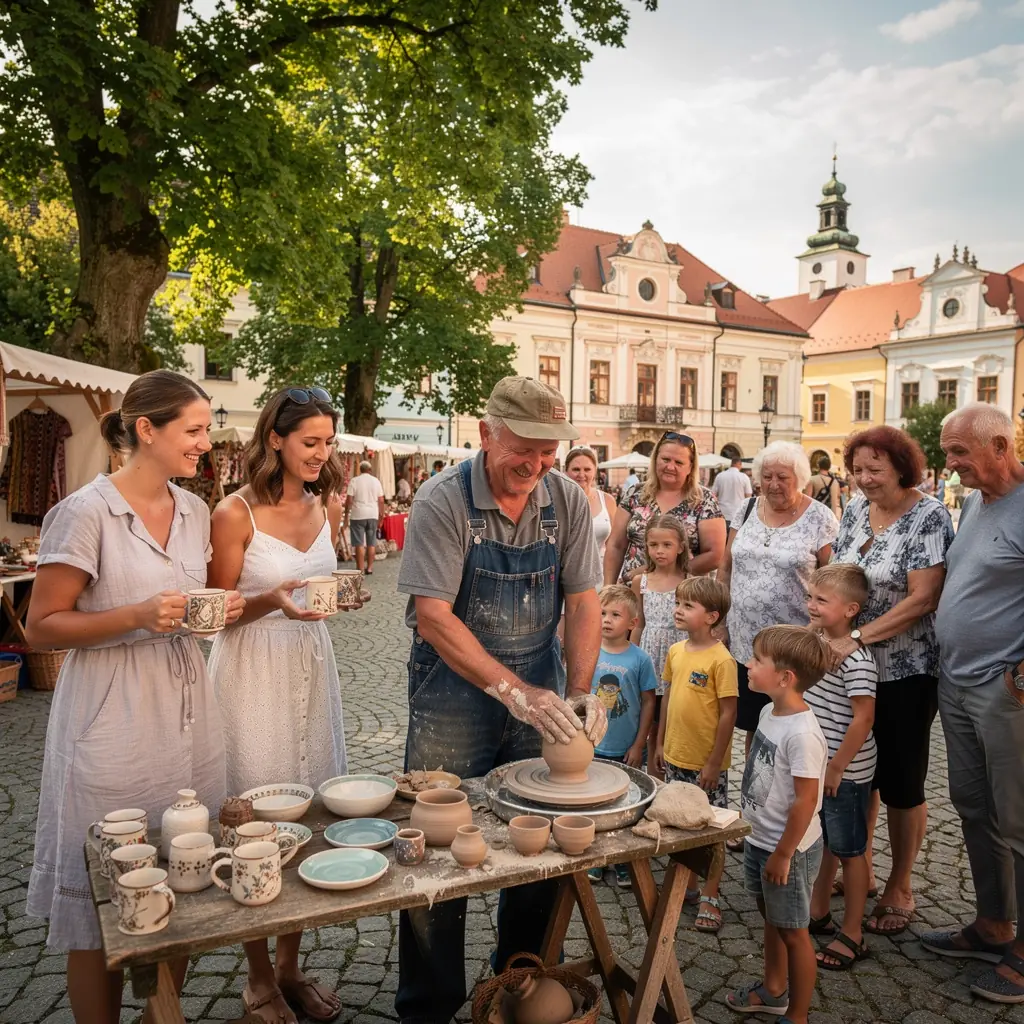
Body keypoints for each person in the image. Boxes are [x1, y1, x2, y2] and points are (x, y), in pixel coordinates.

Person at [24, 371, 245, 1024]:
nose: (206, 442)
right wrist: (138, 616)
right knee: (104, 901)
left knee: (185, 879)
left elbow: (183, 609)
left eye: (208, 429)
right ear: (146, 430)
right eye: (195, 430)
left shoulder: (197, 511)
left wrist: (219, 609)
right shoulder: (85, 511)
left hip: (186, 716)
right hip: (111, 717)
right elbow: (42, 625)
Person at [395, 376, 607, 1023]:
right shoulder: (443, 501)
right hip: (452, 697)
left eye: (549, 452)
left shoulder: (564, 500)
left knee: (536, 845)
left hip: (536, 693)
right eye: (526, 450)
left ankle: (519, 984)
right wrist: (509, 689)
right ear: (486, 433)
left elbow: (584, 602)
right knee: (438, 854)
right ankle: (429, 1006)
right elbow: (432, 615)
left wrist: (577, 693)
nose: (538, 465)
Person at [208, 386, 350, 1024]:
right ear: (275, 439)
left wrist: (336, 596)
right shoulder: (233, 512)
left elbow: (322, 581)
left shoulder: (326, 508)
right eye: (310, 442)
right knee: (255, 816)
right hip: (250, 670)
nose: (322, 453)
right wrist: (275, 601)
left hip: (310, 666)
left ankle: (292, 966)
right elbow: (215, 613)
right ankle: (258, 977)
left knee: (312, 809)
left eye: (328, 441)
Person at [829, 425, 954, 934]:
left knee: (901, 781)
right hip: (853, 668)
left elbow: (924, 597)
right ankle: (861, 865)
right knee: (859, 769)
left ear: (902, 468)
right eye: (857, 469)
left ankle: (901, 884)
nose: (864, 479)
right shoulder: (857, 508)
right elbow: (843, 573)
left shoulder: (929, 514)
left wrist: (857, 636)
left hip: (906, 669)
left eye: (875, 470)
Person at [922, 404, 1024, 1003]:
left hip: (1003, 690)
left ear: (1001, 446)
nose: (950, 464)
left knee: (1018, 820)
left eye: (960, 452)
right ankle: (993, 923)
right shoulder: (975, 503)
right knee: (972, 805)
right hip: (957, 683)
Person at [726, 626, 829, 1024]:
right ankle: (772, 990)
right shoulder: (770, 711)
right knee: (772, 917)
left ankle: (797, 1015)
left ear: (785, 677)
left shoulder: (803, 734)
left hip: (790, 851)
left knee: (794, 931)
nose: (748, 665)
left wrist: (785, 853)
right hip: (761, 839)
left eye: (756, 661)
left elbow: (807, 801)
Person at [719, 442, 837, 757]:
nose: (773, 484)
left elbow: (833, 579)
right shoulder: (745, 510)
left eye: (782, 477)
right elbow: (726, 566)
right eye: (767, 476)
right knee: (754, 727)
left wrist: (822, 630)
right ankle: (754, 798)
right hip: (746, 646)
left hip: (794, 648)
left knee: (792, 728)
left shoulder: (820, 517)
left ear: (799, 477)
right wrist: (720, 621)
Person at [805, 564, 877, 971]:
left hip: (845, 771)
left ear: (851, 609)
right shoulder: (817, 642)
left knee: (850, 850)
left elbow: (863, 720)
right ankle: (818, 912)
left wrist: (837, 767)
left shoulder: (858, 661)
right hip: (821, 764)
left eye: (821, 600)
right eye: (810, 596)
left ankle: (853, 932)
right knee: (826, 839)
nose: (811, 605)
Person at [655, 577, 737, 933]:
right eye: (678, 602)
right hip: (674, 755)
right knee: (678, 821)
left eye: (688, 606)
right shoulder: (675, 652)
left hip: (706, 764)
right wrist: (658, 744)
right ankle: (685, 886)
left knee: (710, 828)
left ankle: (710, 893)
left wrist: (715, 763)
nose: (678, 609)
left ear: (711, 616)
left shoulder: (722, 660)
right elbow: (668, 698)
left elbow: (729, 714)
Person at [587, 585, 658, 888]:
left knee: (627, 805)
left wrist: (639, 743)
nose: (606, 619)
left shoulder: (640, 660)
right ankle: (597, 856)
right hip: (592, 745)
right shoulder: (588, 650)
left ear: (632, 623)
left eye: (615, 614)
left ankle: (624, 860)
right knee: (594, 803)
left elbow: (649, 701)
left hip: (626, 748)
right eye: (602, 613)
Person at [604, 431, 725, 584]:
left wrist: (655, 572)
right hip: (632, 594)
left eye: (679, 462)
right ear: (655, 460)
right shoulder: (635, 493)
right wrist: (608, 588)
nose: (670, 466)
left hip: (685, 596)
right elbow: (616, 545)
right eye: (665, 459)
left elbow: (715, 555)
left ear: (690, 467)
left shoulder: (704, 499)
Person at [630, 515, 689, 777]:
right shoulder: (640, 582)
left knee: (675, 717)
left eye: (667, 544)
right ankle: (654, 778)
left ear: (681, 547)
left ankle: (676, 773)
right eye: (654, 545)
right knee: (652, 719)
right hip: (650, 655)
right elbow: (639, 623)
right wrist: (632, 659)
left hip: (679, 655)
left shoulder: (690, 581)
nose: (660, 551)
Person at [564, 445, 617, 561]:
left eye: (587, 469)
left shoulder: (607, 500)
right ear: (566, 471)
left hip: (601, 572)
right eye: (576, 469)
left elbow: (613, 546)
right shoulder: (558, 501)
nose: (581, 475)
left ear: (595, 471)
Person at [345, 459, 385, 574]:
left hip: (358, 515)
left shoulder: (354, 481)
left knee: (359, 543)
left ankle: (360, 568)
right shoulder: (376, 481)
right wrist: (381, 516)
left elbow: (349, 500)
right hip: (372, 514)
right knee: (371, 542)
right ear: (370, 470)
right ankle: (370, 568)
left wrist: (347, 514)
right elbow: (381, 500)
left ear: (360, 469)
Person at [712, 456, 752, 523]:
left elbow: (713, 495)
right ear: (739, 464)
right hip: (738, 513)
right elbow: (748, 496)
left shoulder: (720, 476)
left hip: (723, 512)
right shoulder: (744, 477)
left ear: (731, 464)